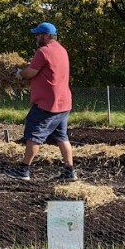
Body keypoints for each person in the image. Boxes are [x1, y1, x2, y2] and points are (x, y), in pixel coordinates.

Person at [7, 21, 77, 182]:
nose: (36, 37)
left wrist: (20, 73)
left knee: (33, 136)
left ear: (46, 35)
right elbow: (45, 69)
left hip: (47, 104)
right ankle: (69, 171)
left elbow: (30, 73)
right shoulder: (62, 50)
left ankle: (24, 170)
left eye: (38, 35)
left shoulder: (43, 51)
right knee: (62, 137)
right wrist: (29, 67)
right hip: (63, 102)